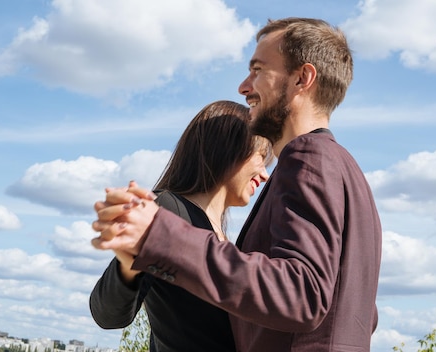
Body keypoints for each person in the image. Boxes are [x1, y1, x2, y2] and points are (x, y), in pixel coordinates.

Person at [92, 17, 382, 352]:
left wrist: (158, 235)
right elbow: (361, 314)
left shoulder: (308, 155)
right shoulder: (350, 176)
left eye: (258, 69)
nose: (244, 86)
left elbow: (302, 294)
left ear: (303, 78)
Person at [89, 100, 272, 351]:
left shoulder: (226, 240)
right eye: (261, 158)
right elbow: (107, 313)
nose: (265, 174)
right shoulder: (167, 209)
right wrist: (129, 261)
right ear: (229, 148)